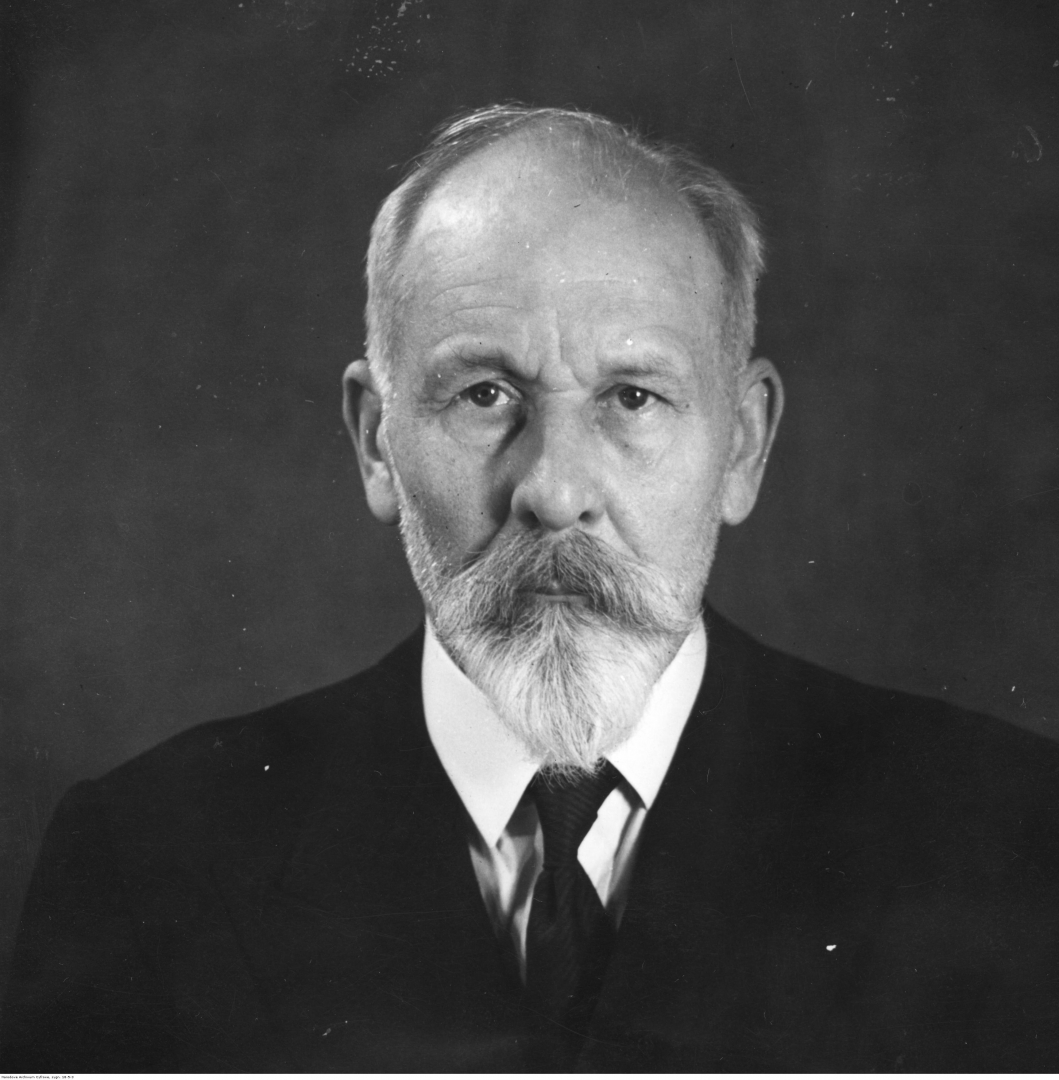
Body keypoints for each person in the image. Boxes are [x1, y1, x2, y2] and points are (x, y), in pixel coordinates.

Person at [3, 104, 1059, 1073]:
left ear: (742, 444)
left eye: (631, 397)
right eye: (484, 394)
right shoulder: (144, 863)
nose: (553, 492)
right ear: (376, 441)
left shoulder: (1007, 840)